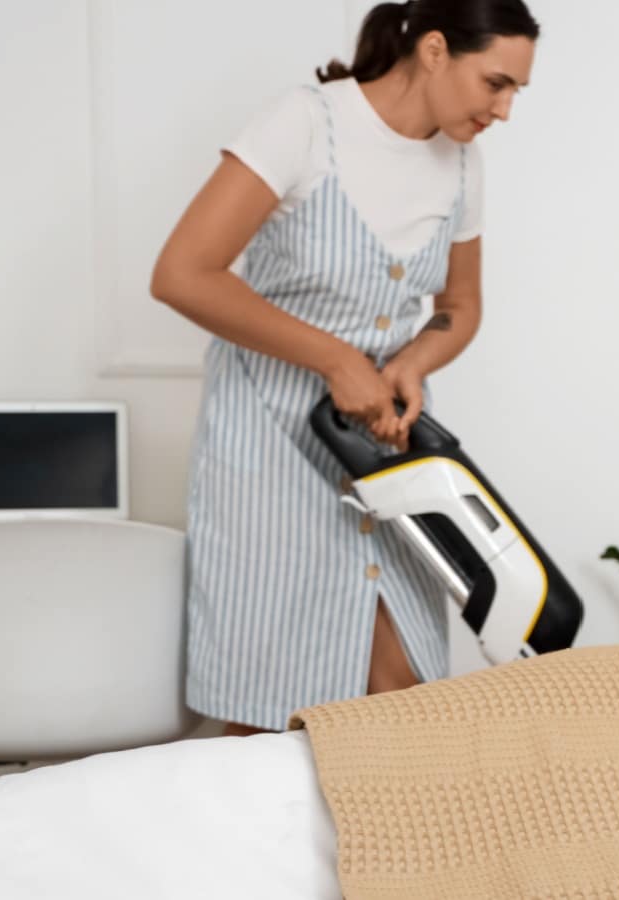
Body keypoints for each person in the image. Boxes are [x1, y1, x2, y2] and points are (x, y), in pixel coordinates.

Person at [149, 0, 539, 736]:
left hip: (385, 455)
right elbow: (182, 273)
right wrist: (335, 358)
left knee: (402, 700)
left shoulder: (462, 163)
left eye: (516, 90)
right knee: (272, 709)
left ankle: (391, 854)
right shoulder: (305, 123)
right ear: (433, 50)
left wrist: (414, 363)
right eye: (495, 83)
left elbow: (461, 304)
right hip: (269, 448)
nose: (506, 108)